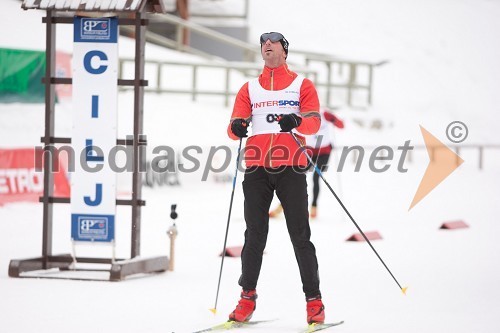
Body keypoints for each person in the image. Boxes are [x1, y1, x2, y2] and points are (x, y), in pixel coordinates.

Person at [227, 32, 325, 325]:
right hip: (257, 167)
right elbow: (233, 129)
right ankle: (247, 297)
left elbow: (314, 122)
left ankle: (314, 301)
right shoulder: (249, 88)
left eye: (273, 41)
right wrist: (237, 126)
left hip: (290, 167)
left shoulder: (301, 84)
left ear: (284, 50)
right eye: (263, 42)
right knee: (254, 234)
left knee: (300, 235)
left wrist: (296, 121)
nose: (266, 44)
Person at [269, 108, 344, 218]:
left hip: (324, 152)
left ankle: (314, 208)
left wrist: (334, 120)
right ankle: (283, 206)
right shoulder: (302, 114)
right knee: (297, 177)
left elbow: (341, 125)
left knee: (316, 177)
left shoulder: (324, 114)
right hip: (309, 152)